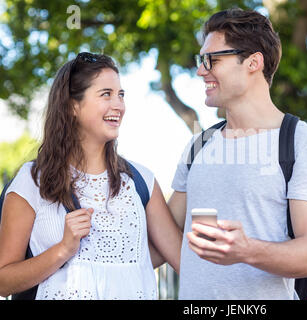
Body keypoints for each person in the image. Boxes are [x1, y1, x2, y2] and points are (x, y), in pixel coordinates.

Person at [168, 8, 307, 300]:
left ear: (253, 62)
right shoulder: (198, 146)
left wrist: (246, 250)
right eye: (200, 60)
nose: (200, 70)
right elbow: (164, 239)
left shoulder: (303, 144)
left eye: (211, 59)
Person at [0, 52, 182, 300]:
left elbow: (181, 258)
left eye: (121, 95)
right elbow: (3, 281)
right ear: (72, 105)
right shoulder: (32, 180)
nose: (118, 105)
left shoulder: (141, 181)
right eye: (106, 94)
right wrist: (63, 250)